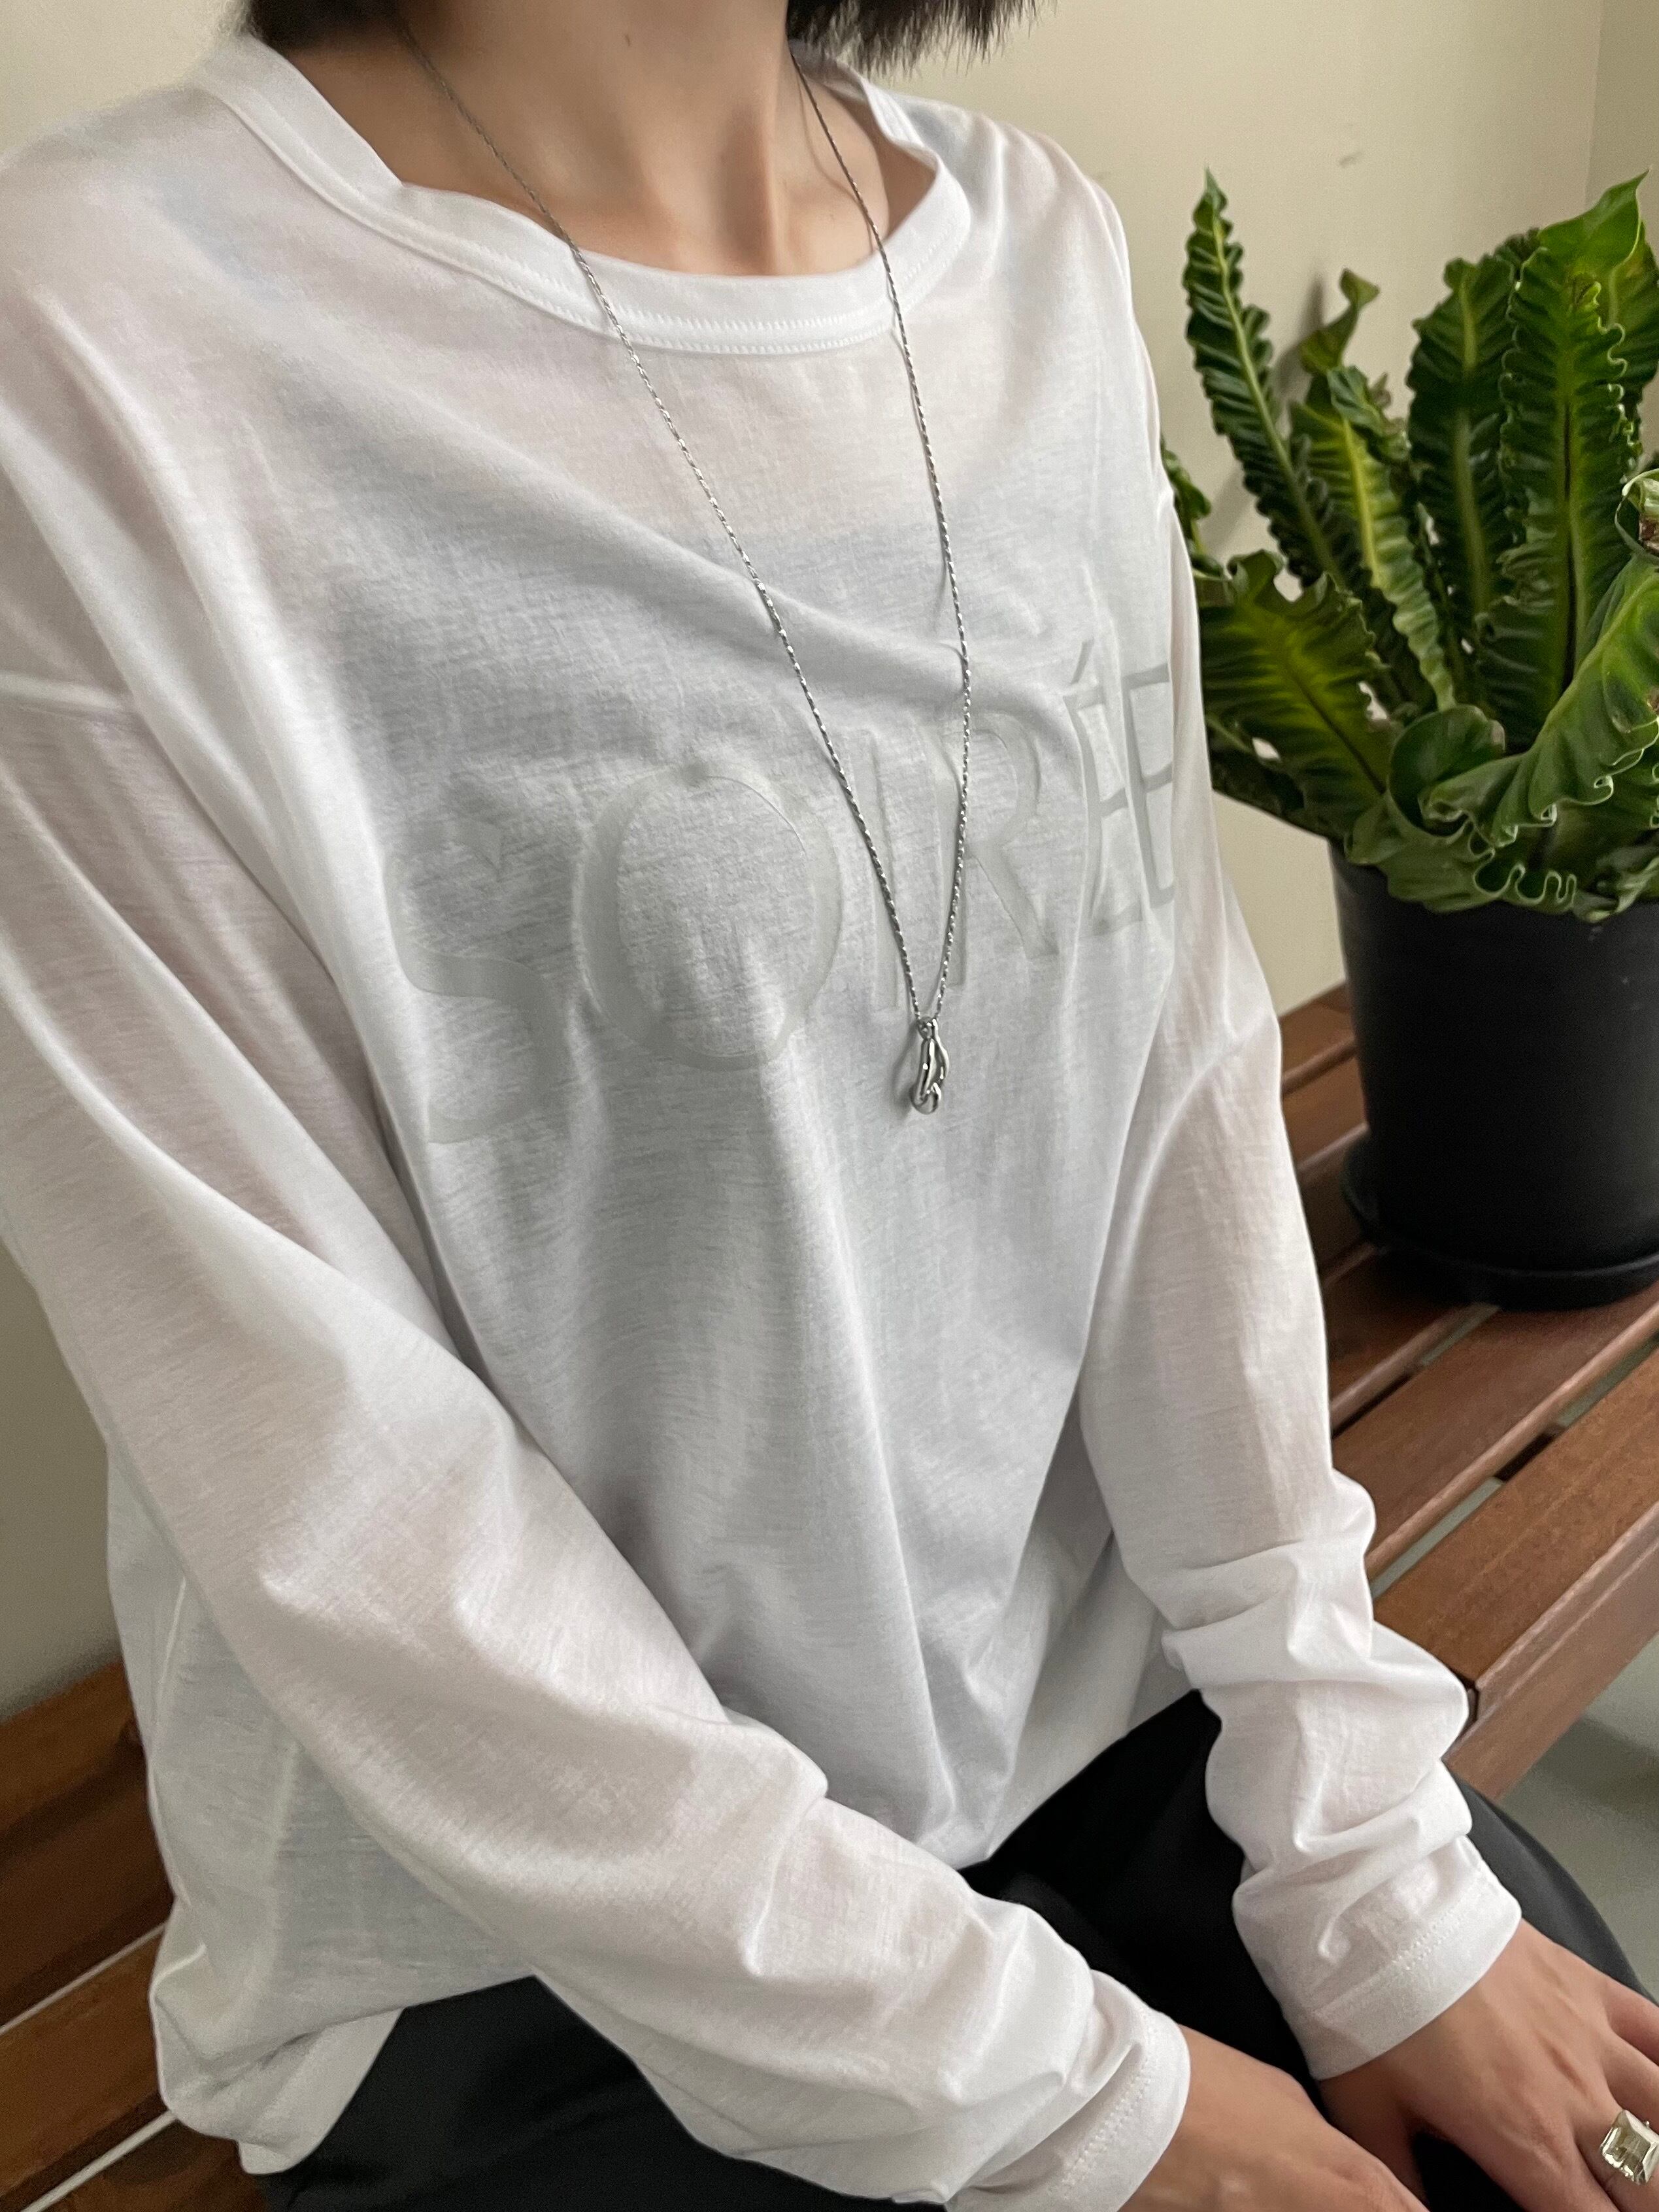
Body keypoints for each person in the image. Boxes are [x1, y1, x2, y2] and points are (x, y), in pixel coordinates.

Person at [1, 1, 1656, 2206]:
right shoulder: (100, 344)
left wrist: (1358, 1846)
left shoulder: (1029, 250)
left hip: (1105, 1722)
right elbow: (322, 1460)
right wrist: (1100, 2109)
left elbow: (1169, 1106)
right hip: (510, 1931)